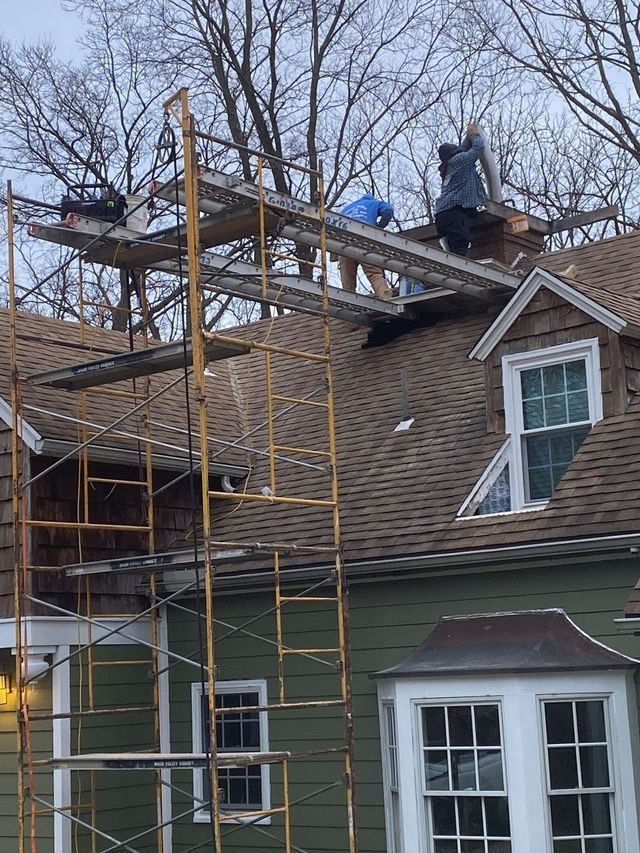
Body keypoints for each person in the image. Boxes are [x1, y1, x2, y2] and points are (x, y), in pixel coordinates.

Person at [435, 123, 487, 256]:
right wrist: (475, 134)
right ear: (454, 153)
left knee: (451, 252)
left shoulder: (449, 164)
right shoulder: (459, 160)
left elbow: (463, 149)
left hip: (442, 215)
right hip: (454, 214)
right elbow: (479, 147)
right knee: (459, 251)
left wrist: (468, 134)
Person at [339, 194, 394, 299]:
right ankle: (386, 297)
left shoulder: (346, 209)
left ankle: (350, 303)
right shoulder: (374, 203)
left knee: (347, 280)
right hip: (365, 238)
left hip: (343, 243)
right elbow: (388, 210)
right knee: (374, 273)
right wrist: (380, 226)